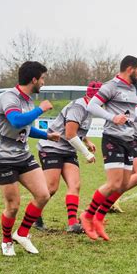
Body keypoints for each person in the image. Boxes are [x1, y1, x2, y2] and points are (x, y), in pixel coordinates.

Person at [0, 61, 60, 256]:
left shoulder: (28, 99)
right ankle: (6, 241)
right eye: (43, 78)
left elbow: (25, 128)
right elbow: (16, 121)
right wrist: (41, 109)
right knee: (13, 207)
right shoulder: (9, 97)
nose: (44, 83)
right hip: (3, 158)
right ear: (34, 79)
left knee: (43, 194)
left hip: (23, 156)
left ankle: (22, 234)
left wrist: (47, 135)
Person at [80, 55, 137, 241]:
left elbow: (127, 115)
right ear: (130, 69)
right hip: (113, 138)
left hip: (128, 139)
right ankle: (87, 216)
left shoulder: (133, 88)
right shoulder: (110, 86)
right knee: (113, 184)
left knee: (124, 184)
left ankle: (99, 219)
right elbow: (92, 106)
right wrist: (111, 118)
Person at [35, 81, 102, 233]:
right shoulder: (78, 107)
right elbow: (70, 134)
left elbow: (77, 130)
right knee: (51, 188)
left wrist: (87, 140)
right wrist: (87, 153)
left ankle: (72, 224)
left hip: (68, 149)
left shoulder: (90, 107)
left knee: (75, 184)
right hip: (51, 146)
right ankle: (34, 215)